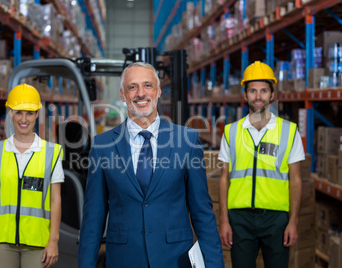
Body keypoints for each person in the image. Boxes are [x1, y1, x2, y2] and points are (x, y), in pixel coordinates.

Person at [78, 62, 224, 268]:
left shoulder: (187, 141)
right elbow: (93, 218)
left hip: (174, 259)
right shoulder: (103, 145)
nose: (140, 93)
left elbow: (202, 212)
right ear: (122, 94)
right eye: (132, 87)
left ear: (158, 91)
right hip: (124, 259)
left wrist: (214, 264)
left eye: (147, 85)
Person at [218, 61, 305, 268]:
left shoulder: (289, 131)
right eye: (253, 91)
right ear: (245, 95)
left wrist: (293, 221)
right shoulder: (231, 132)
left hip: (276, 220)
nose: (258, 96)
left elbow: (296, 180)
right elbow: (224, 179)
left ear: (272, 95)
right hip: (240, 219)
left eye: (264, 91)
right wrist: (224, 220)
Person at [0, 84, 64, 268]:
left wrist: (54, 241)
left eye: (29, 113)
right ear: (10, 113)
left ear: (37, 114)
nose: (24, 119)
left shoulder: (52, 153)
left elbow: (55, 200)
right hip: (1, 241)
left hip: (37, 242)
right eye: (18, 112)